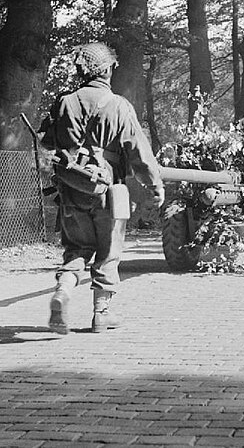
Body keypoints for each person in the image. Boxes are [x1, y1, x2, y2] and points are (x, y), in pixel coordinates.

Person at [39, 42, 165, 334]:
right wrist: (154, 185)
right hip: (108, 189)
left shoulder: (65, 101)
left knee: (76, 248)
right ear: (107, 69)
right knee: (109, 253)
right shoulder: (119, 105)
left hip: (71, 188)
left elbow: (48, 141)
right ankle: (101, 314)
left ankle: (63, 289)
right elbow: (139, 153)